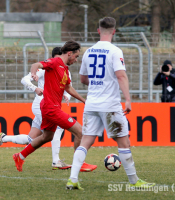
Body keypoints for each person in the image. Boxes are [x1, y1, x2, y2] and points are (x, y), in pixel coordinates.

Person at [66, 17, 155, 190]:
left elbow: (84, 79)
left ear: (98, 30)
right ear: (113, 31)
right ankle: (134, 181)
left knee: (85, 142)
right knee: (123, 143)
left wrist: (98, 82)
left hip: (91, 104)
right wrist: (128, 99)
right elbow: (121, 76)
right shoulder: (115, 51)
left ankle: (73, 179)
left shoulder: (89, 51)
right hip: (110, 105)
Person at [0, 47, 74, 170]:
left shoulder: (65, 70)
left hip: (50, 106)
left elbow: (68, 87)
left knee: (31, 139)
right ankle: (55, 161)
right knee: (59, 126)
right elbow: (24, 79)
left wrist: (67, 96)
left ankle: (3, 138)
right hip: (42, 105)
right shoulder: (46, 68)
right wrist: (35, 88)